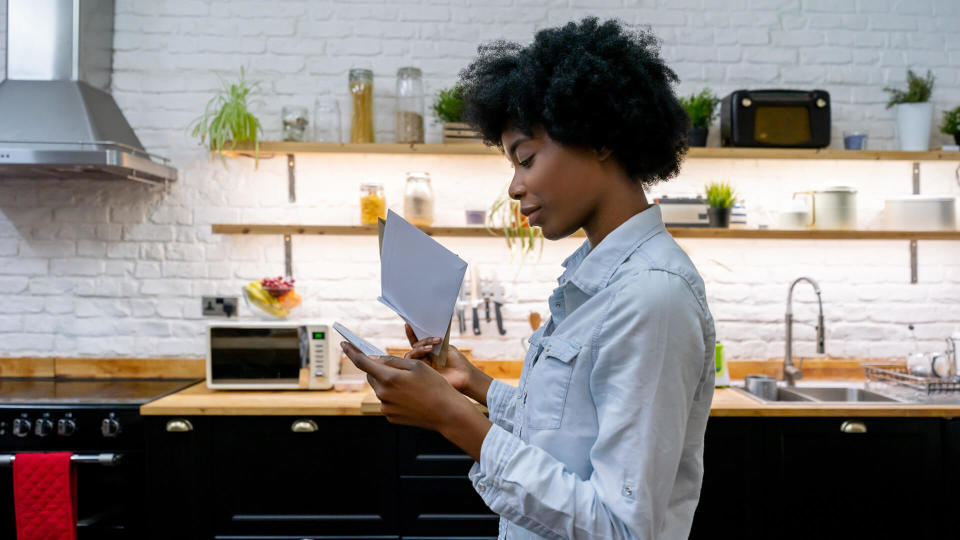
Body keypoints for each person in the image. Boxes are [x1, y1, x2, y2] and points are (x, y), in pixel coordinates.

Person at [341, 17, 715, 539]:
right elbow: (563, 433)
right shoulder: (598, 280)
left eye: (527, 159)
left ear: (600, 138)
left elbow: (622, 529)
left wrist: (453, 417)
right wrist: (471, 384)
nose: (515, 187)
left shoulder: (653, 297)